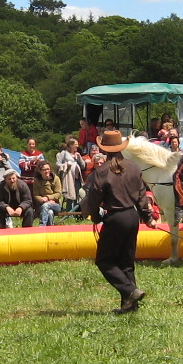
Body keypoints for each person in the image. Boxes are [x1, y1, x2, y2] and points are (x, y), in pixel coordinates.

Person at [78, 126, 147, 314]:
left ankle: (130, 291)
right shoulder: (133, 167)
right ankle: (130, 306)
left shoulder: (102, 171)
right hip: (132, 216)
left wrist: (95, 216)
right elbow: (142, 194)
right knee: (127, 262)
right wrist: (147, 216)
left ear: (104, 149)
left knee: (104, 261)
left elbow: (94, 198)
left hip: (116, 218)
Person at [30, 161, 63, 227]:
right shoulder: (36, 180)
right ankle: (50, 230)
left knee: (46, 205)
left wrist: (48, 198)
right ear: (40, 171)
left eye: (48, 169)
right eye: (44, 170)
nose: (46, 171)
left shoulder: (56, 179)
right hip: (41, 205)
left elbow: (58, 194)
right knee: (50, 212)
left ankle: (41, 226)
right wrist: (43, 200)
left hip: (55, 205)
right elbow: (36, 195)